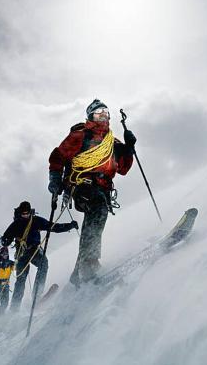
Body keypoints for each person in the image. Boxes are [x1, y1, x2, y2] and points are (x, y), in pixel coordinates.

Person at [48, 99, 136, 285]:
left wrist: (129, 148)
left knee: (95, 217)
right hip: (82, 185)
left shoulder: (112, 142)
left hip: (103, 188)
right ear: (90, 116)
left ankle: (78, 271)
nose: (103, 116)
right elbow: (58, 157)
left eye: (106, 113)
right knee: (97, 209)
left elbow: (123, 169)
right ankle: (88, 264)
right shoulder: (80, 136)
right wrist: (55, 181)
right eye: (98, 113)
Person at [1, 200, 78, 311]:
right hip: (21, 254)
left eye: (27, 213)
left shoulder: (36, 221)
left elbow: (53, 227)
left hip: (35, 250)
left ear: (31, 212)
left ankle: (37, 295)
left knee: (43, 264)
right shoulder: (15, 224)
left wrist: (69, 226)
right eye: (23, 214)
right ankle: (15, 307)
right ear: (20, 213)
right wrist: (6, 241)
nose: (26, 216)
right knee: (21, 279)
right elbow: (5, 239)